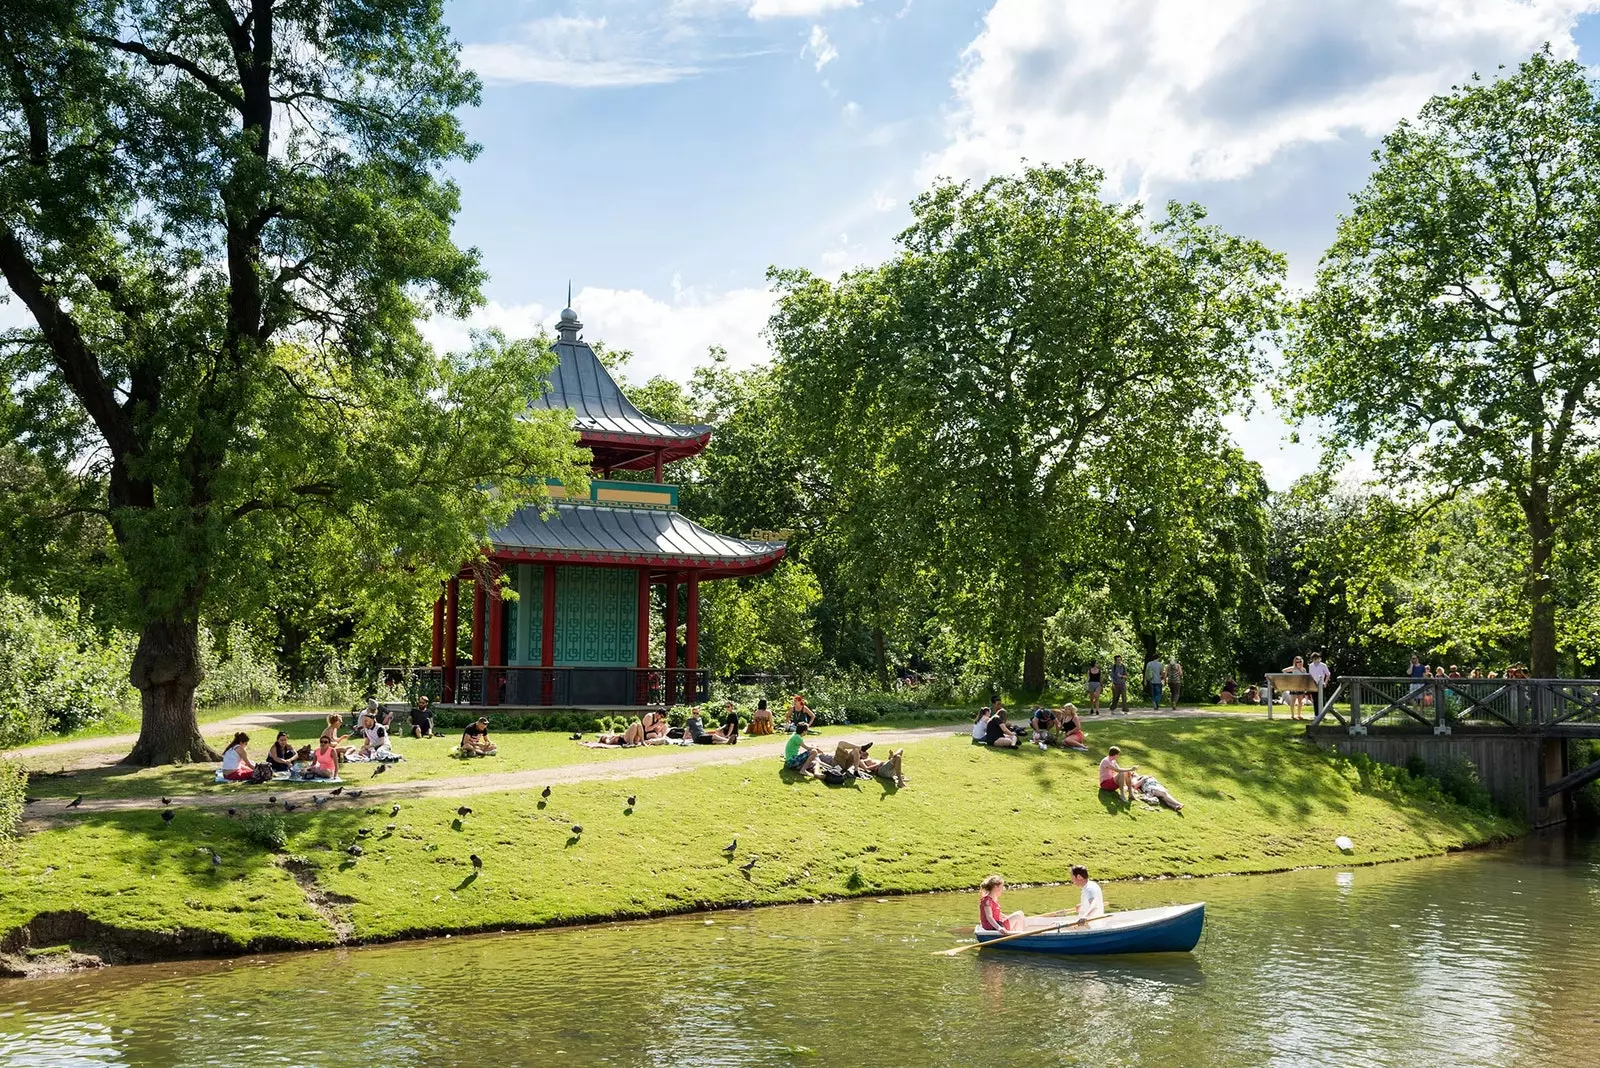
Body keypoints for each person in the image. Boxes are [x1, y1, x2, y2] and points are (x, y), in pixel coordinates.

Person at [1283, 655, 1310, 721]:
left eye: (1300, 661)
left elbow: (1305, 678)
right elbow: (1283, 671)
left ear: (1302, 661)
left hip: (1301, 687)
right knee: (1293, 701)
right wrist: (1290, 678)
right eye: (1297, 662)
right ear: (1295, 662)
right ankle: (1292, 716)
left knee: (1300, 702)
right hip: (1294, 686)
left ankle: (1299, 715)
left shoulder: (1304, 669)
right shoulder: (1293, 668)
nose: (1299, 663)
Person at [1308, 652, 1332, 717]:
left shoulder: (1323, 665)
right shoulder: (1310, 666)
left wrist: (1325, 682)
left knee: (1322, 700)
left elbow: (1328, 674)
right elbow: (1310, 675)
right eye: (1314, 658)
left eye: (1317, 658)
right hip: (1313, 684)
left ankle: (1322, 714)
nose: (1316, 659)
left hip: (1321, 684)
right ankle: (1316, 715)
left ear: (1319, 658)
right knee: (1315, 700)